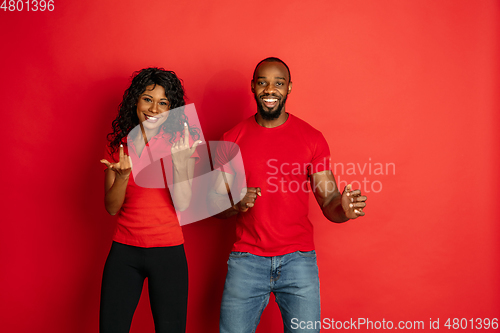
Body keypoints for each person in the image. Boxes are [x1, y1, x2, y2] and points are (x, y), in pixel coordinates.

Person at [209, 57, 367, 333]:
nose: (270, 90)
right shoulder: (230, 139)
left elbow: (329, 202)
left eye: (278, 83)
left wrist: (344, 209)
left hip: (298, 262)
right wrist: (236, 203)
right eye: (263, 82)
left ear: (289, 88)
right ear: (253, 87)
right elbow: (215, 205)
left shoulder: (312, 139)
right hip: (246, 262)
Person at [99, 67, 201, 333]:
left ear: (171, 109)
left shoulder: (181, 142)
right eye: (148, 99)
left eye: (163, 102)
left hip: (168, 253)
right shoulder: (120, 145)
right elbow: (111, 209)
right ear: (136, 100)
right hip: (124, 251)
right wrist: (121, 177)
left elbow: (182, 204)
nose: (154, 108)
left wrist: (179, 165)